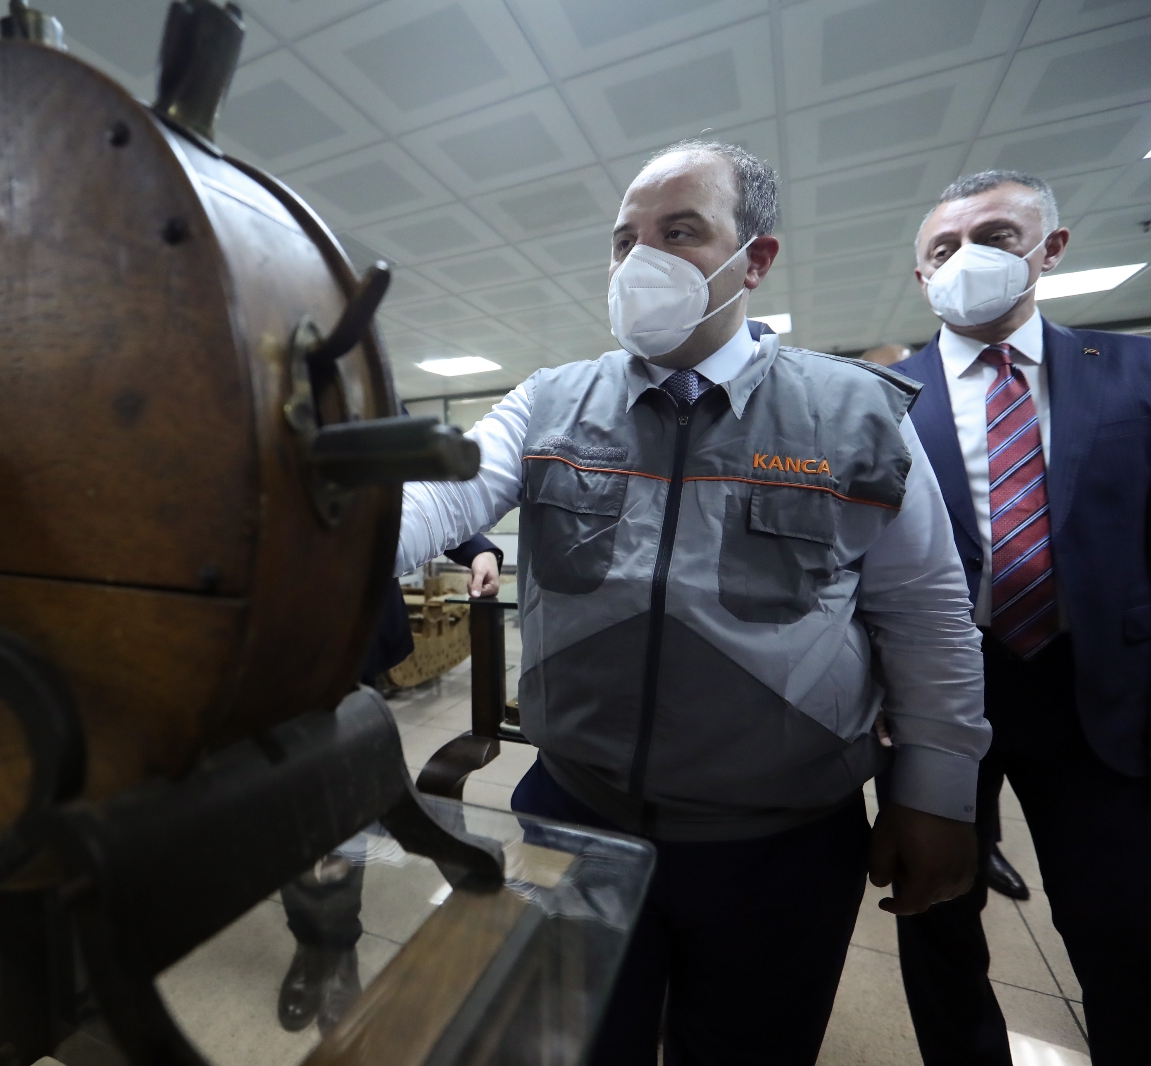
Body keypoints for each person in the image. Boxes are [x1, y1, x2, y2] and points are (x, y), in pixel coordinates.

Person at [396, 139, 991, 1065]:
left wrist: (938, 796)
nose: (642, 260)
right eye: (625, 240)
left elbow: (926, 619)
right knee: (581, 1047)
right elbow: (437, 497)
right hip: (577, 813)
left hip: (780, 843)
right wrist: (321, 535)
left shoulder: (856, 416)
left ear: (755, 259)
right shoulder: (550, 403)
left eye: (680, 232)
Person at [892, 169, 1151, 1066]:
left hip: (1105, 693)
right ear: (922, 278)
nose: (966, 259)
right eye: (944, 248)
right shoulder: (881, 397)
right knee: (937, 924)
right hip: (939, 696)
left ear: (1049, 249)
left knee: (1138, 932)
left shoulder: (1148, 371)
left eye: (995, 238)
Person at [278, 534, 500, 1035]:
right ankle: (311, 942)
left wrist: (475, 548)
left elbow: (402, 495)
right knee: (287, 804)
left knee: (343, 794)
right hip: (260, 623)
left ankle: (338, 951)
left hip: (349, 615)